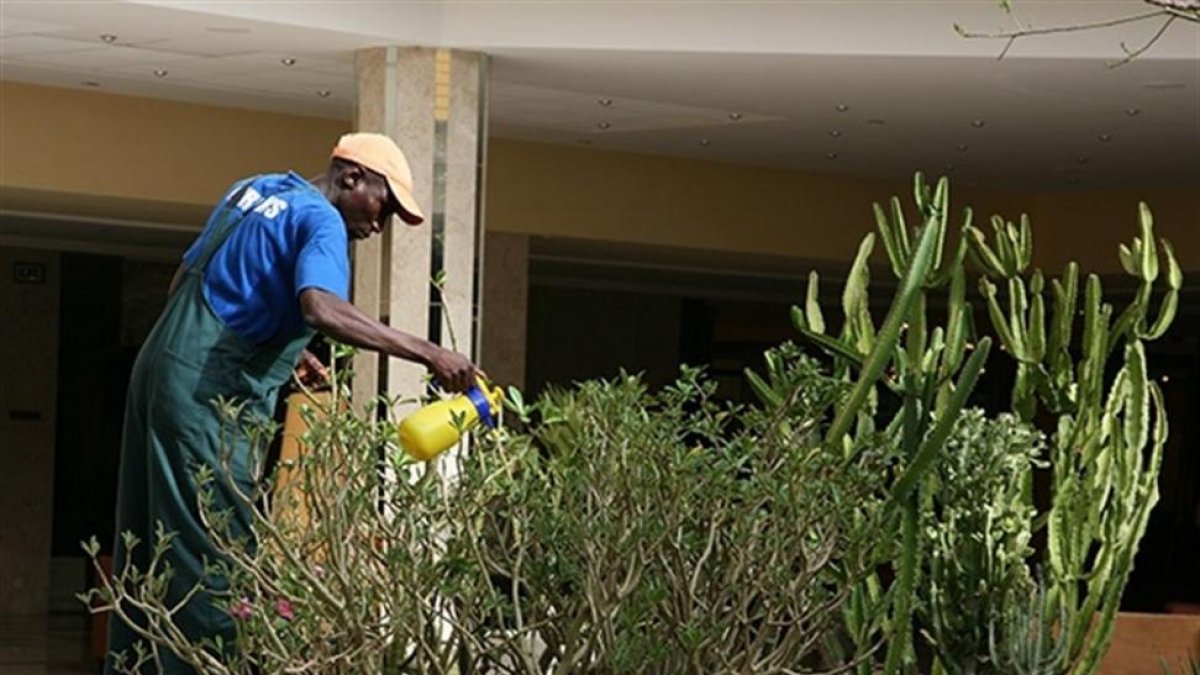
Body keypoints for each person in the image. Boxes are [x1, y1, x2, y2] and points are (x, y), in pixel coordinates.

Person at [105, 133, 479, 674]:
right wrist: (428, 353)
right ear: (351, 178)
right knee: (216, 553)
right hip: (205, 395)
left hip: (159, 369)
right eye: (384, 206)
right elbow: (321, 307)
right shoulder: (323, 219)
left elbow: (188, 281)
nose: (379, 226)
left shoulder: (253, 190)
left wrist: (278, 347)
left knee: (150, 543)